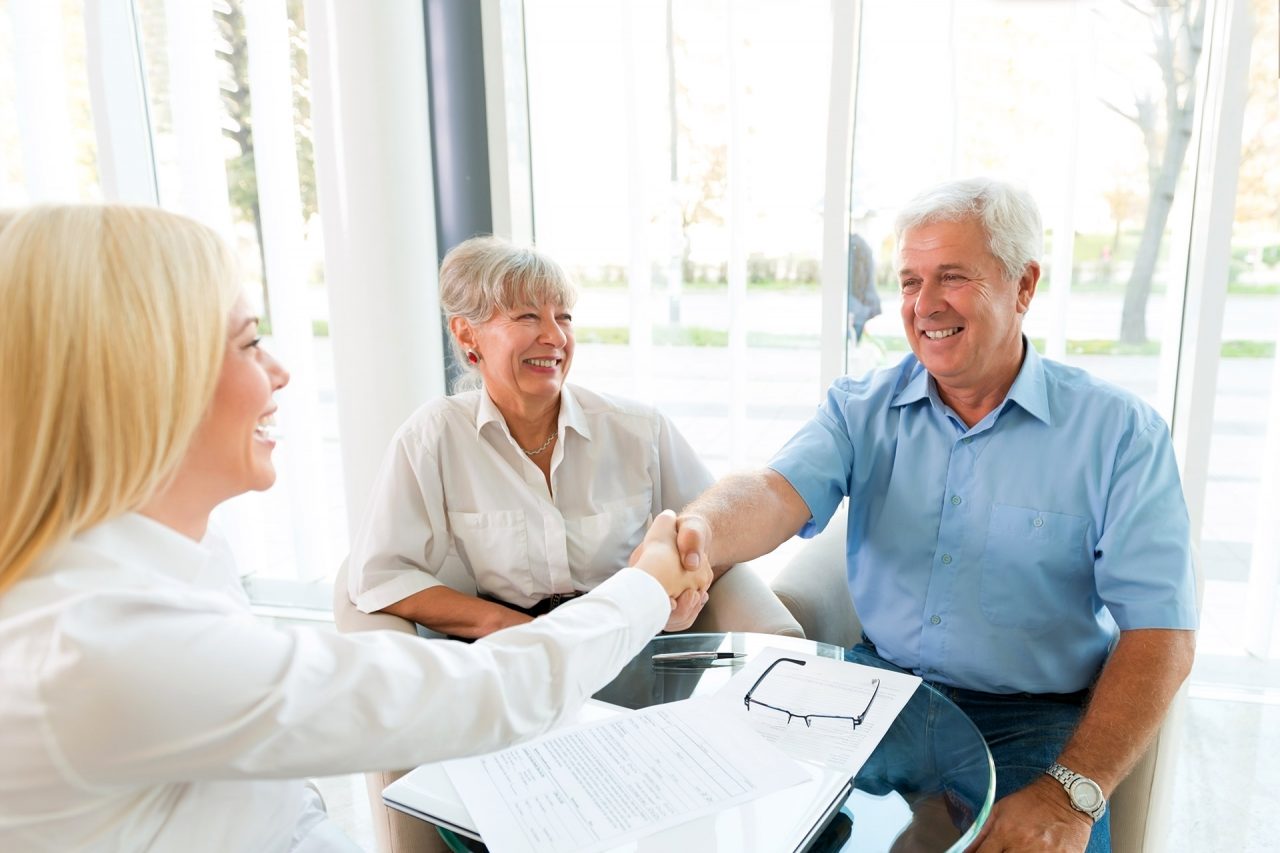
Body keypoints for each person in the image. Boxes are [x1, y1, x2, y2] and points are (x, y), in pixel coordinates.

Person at [0, 205, 710, 852]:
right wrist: (645, 583)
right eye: (249, 343)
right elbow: (488, 691)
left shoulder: (177, 560)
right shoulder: (100, 645)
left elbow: (277, 807)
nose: (278, 372)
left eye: (564, 316)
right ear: (142, 379)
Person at [674, 178, 1197, 853]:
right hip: (873, 691)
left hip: (1031, 722)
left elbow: (1162, 634)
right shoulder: (861, 405)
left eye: (951, 277)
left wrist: (1070, 791)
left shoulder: (1120, 433)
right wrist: (702, 529)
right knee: (726, 807)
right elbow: (775, 492)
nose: (924, 306)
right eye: (910, 281)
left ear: (1024, 286)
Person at [346, 235, 714, 638]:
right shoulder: (434, 436)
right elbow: (380, 575)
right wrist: (528, 633)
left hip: (627, 641)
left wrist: (674, 599)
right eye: (527, 317)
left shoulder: (638, 428)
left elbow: (712, 530)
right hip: (506, 652)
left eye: (564, 317)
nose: (555, 337)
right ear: (468, 335)